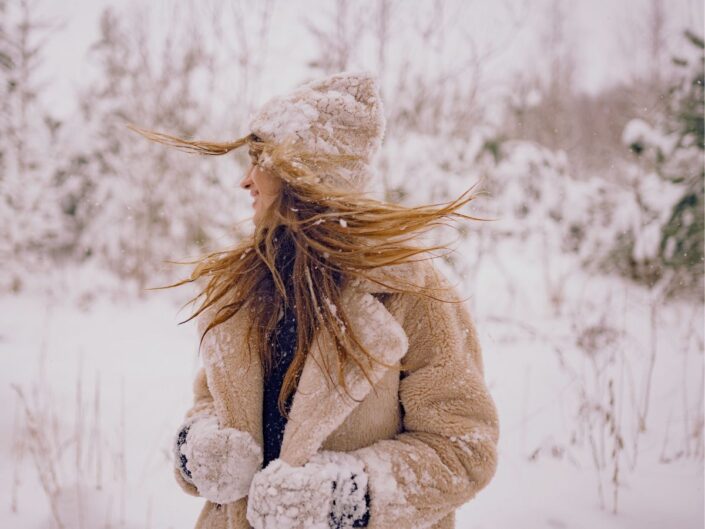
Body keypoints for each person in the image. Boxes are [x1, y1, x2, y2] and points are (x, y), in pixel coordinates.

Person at [128, 70, 500, 529]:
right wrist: (200, 449)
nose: (246, 181)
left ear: (306, 174)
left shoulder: (413, 294)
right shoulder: (247, 290)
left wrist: (342, 499)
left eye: (259, 161)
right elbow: (209, 401)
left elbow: (463, 448)